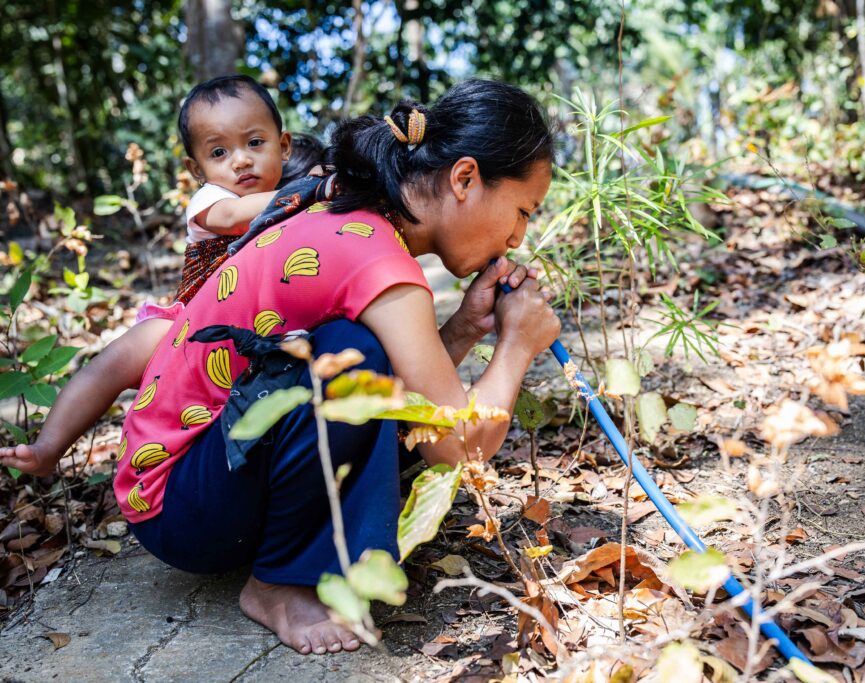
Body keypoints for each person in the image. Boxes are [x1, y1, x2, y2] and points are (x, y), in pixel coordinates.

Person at [109, 78, 560, 656]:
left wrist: (468, 328)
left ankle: (298, 550)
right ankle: (277, 581)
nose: (520, 235)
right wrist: (517, 345)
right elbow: (456, 447)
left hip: (199, 484)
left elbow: (416, 398)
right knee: (353, 354)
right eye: (522, 211)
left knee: (358, 354)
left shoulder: (357, 221)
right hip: (180, 507)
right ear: (465, 178)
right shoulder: (377, 259)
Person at [0, 75, 308, 477]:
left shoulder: (296, 195)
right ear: (196, 169)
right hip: (193, 320)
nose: (241, 160)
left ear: (283, 146)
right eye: (219, 152)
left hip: (263, 324)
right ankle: (47, 448)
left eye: (254, 143)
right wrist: (313, 189)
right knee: (112, 363)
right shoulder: (214, 199)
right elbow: (234, 220)